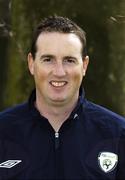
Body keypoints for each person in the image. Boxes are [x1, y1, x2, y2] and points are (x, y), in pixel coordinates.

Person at [0, 15, 125, 180]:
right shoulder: (3, 131)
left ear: (84, 66)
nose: (59, 72)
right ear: (31, 63)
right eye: (48, 59)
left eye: (69, 60)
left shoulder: (117, 133)